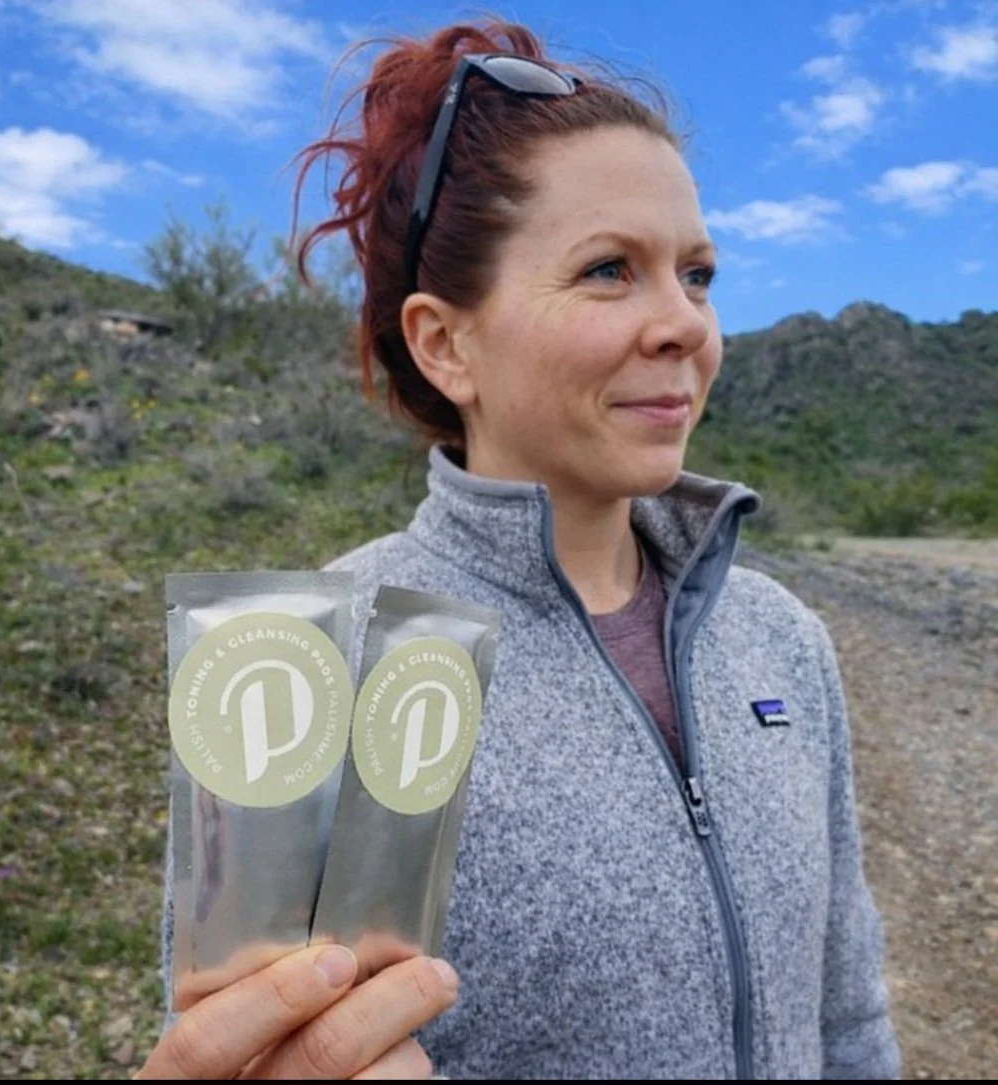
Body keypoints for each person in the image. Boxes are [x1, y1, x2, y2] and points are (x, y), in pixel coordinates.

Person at [139, 17, 900, 1080]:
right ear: (445, 344)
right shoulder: (318, 670)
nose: (686, 324)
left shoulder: (783, 639)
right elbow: (256, 1044)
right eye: (608, 270)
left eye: (697, 274)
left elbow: (849, 1017)